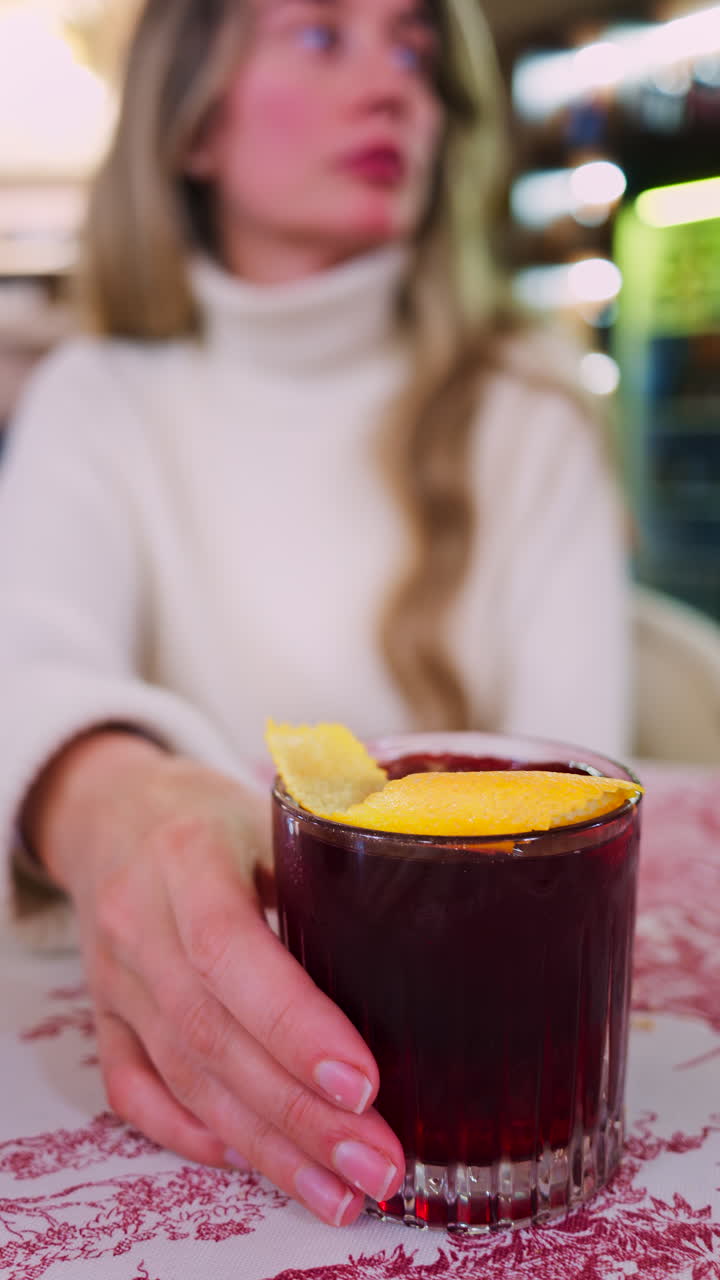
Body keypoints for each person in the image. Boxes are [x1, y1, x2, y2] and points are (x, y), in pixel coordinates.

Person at [0, 0, 629, 1230]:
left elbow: (565, 807)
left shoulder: (529, 414)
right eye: (321, 35)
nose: (396, 88)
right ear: (191, 125)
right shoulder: (97, 398)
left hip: (468, 1070)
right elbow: (25, 657)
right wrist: (111, 798)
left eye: (412, 53)